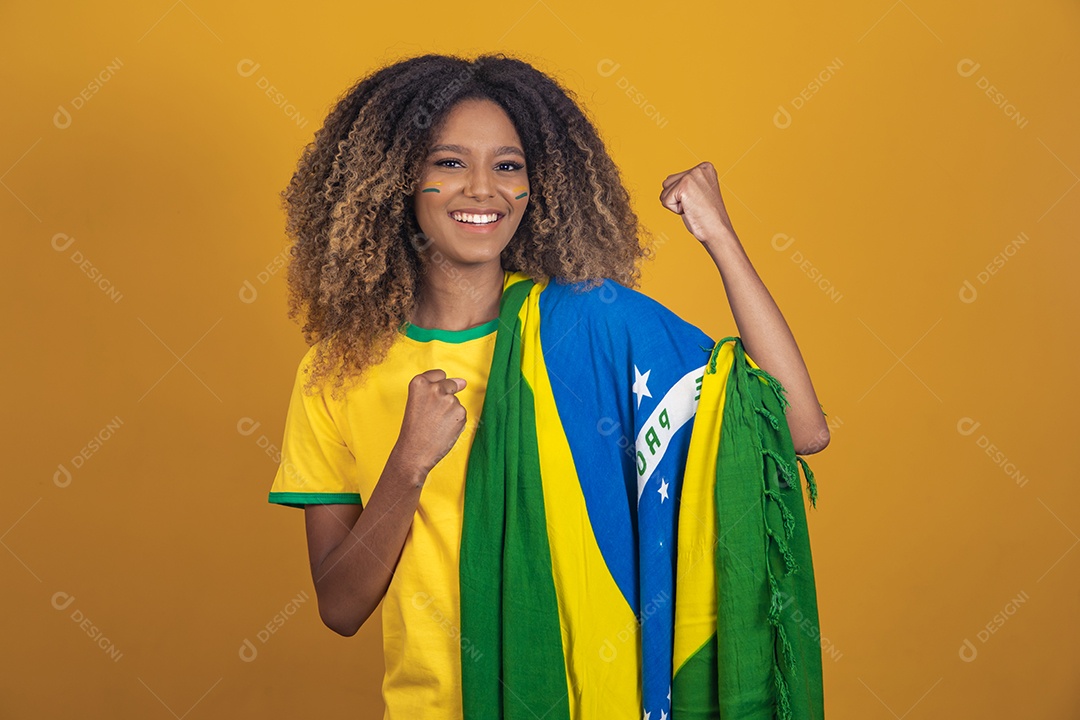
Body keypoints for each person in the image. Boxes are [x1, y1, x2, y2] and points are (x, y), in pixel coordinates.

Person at [268, 52, 830, 720]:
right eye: (449, 163)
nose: (484, 190)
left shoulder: (586, 327)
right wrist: (408, 464)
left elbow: (799, 428)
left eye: (508, 166)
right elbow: (339, 606)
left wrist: (720, 239)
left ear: (538, 186)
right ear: (395, 180)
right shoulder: (338, 370)